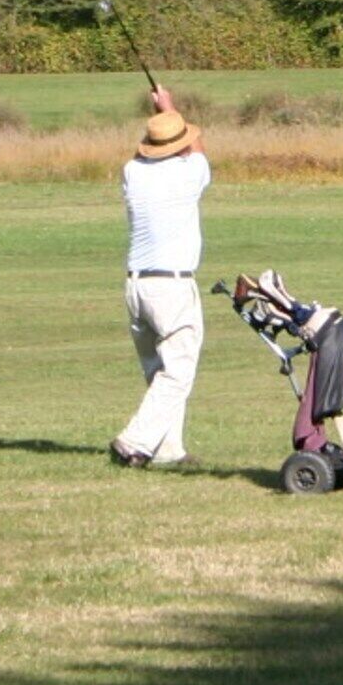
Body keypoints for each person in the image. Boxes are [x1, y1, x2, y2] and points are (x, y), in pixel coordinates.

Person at [111, 90, 209, 467]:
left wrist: (163, 121)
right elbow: (197, 150)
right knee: (178, 373)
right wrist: (169, 109)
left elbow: (152, 152)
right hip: (172, 286)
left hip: (136, 285)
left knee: (158, 372)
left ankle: (169, 449)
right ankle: (134, 441)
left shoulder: (132, 172)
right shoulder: (190, 173)